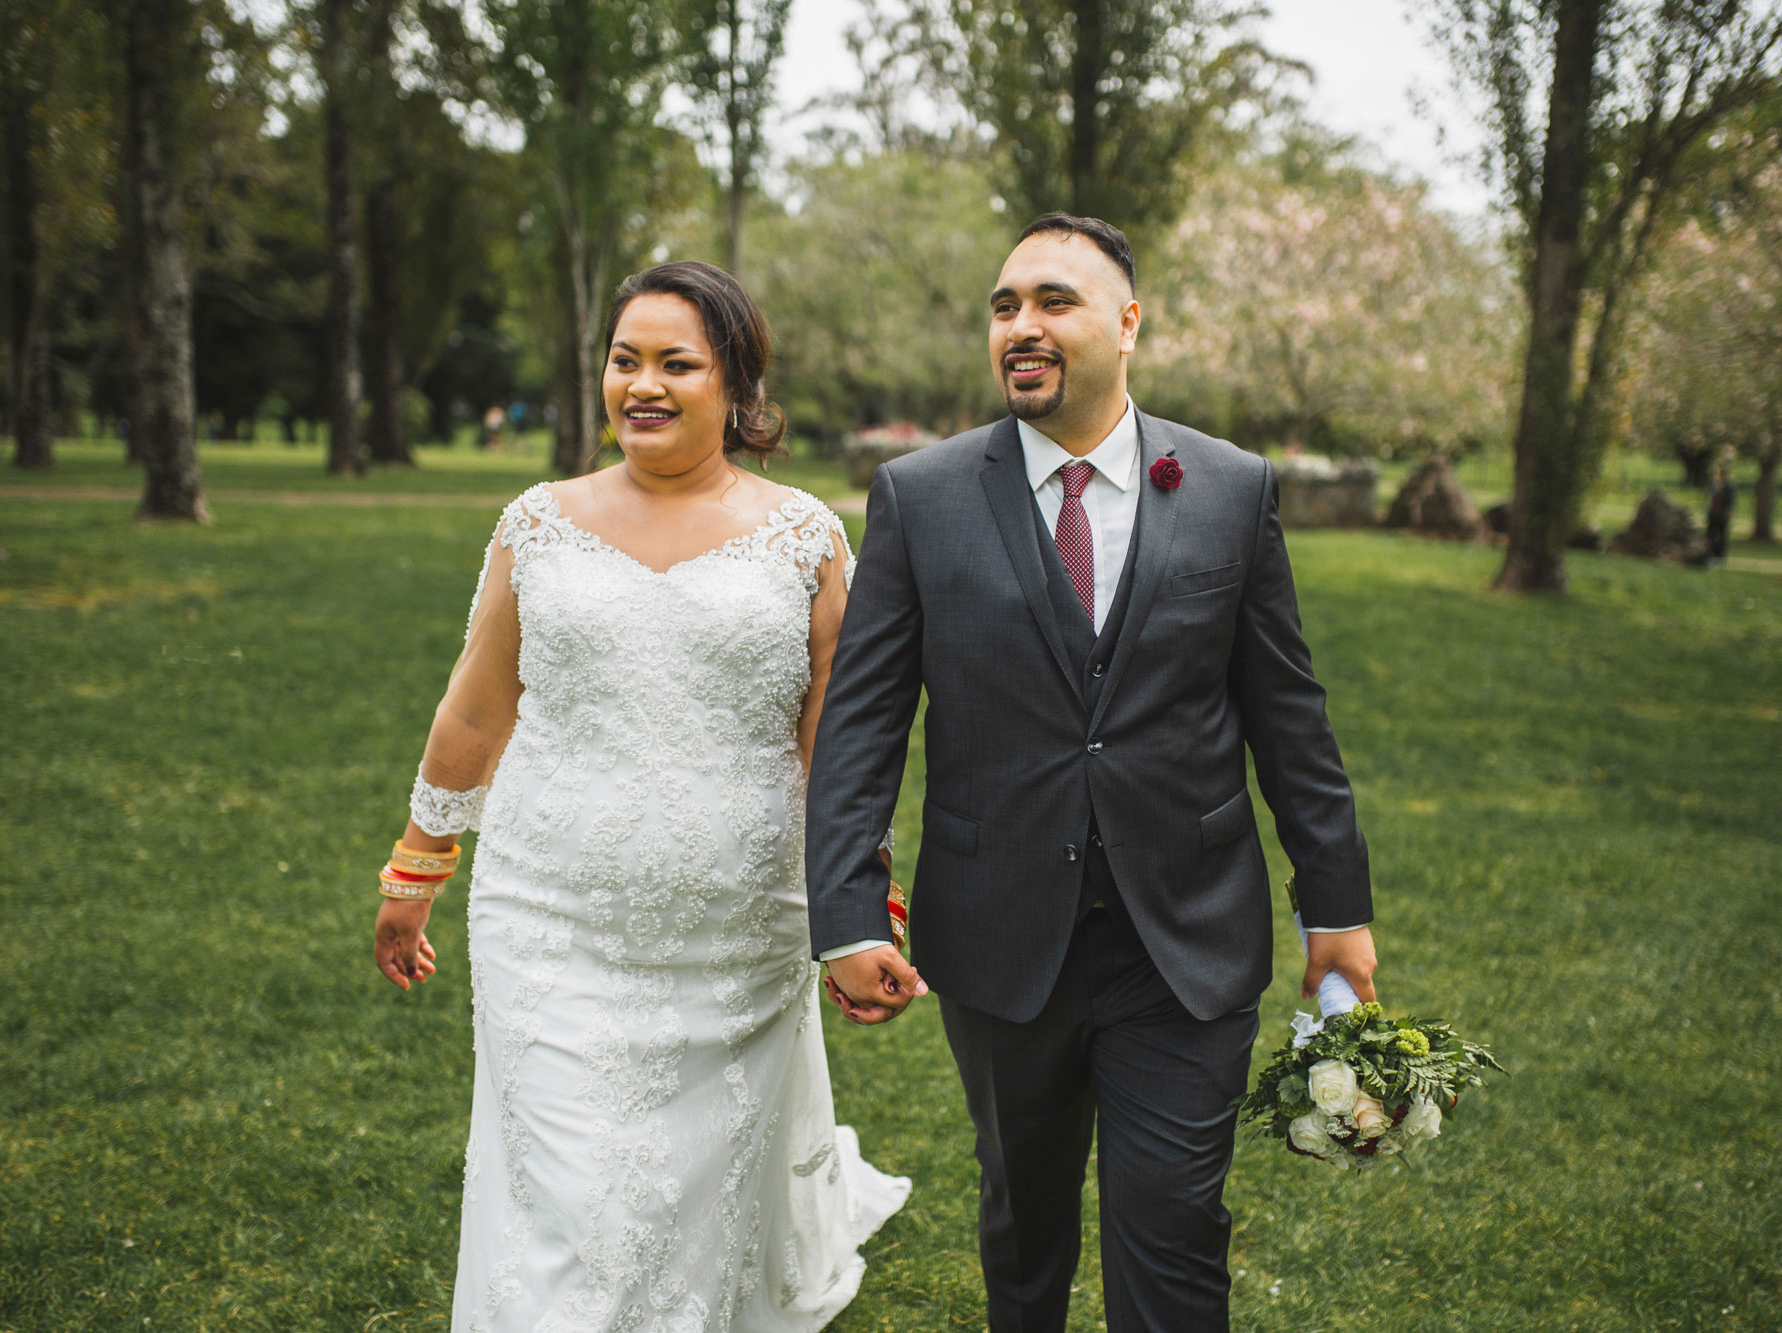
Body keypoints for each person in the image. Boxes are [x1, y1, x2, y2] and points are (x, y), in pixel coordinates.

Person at [805, 214, 1379, 1332]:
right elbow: (864, 721)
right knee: (1021, 1230)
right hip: (998, 932)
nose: (1020, 325)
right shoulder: (918, 498)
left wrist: (1335, 904)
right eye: (1003, 305)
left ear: (1125, 323)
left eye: (1052, 301)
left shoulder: (1227, 488)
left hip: (1186, 939)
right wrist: (845, 908)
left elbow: (1287, 715)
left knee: (1171, 1233)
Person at [373, 260, 909, 1330]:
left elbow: (836, 749)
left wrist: (855, 911)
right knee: (571, 1204)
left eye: (676, 362)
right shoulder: (538, 523)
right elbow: (474, 715)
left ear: (736, 385)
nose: (642, 385)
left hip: (737, 936)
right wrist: (414, 868)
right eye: (625, 361)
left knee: (696, 1205)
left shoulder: (803, 537)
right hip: (549, 918)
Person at [1706, 461, 1736, 567]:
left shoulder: (1729, 486)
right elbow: (1710, 498)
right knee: (1710, 535)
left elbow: (1730, 502)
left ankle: (1719, 558)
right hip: (1713, 513)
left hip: (1722, 514)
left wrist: (1729, 515)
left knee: (1722, 536)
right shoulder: (1713, 483)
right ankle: (1710, 555)